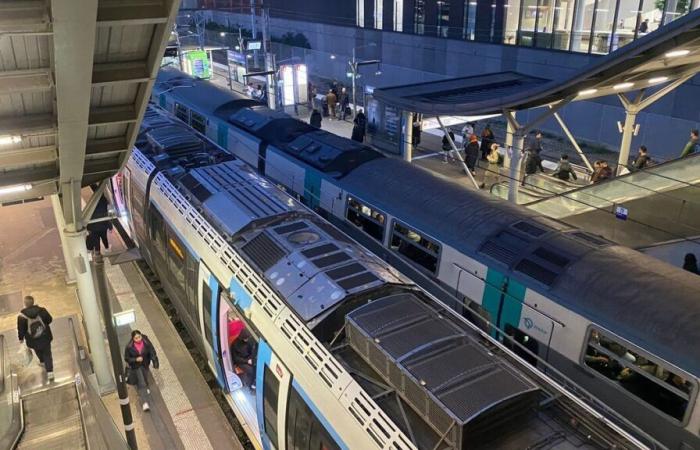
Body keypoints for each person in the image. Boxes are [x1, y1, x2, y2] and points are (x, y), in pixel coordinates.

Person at [18, 295, 54, 381]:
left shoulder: (22, 317)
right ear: (33, 302)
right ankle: (50, 373)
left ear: (25, 304)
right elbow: (49, 320)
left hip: (32, 339)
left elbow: (21, 329)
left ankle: (42, 362)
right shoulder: (42, 311)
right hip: (45, 337)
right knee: (47, 354)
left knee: (38, 351)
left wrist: (21, 338)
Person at [124, 330, 159, 411]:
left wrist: (155, 362)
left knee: (144, 378)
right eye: (136, 338)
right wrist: (136, 359)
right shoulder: (129, 347)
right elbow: (127, 358)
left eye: (139, 337)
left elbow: (152, 351)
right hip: (136, 367)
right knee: (141, 383)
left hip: (145, 364)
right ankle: (145, 402)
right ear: (133, 339)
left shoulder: (146, 342)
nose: (138, 339)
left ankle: (145, 387)